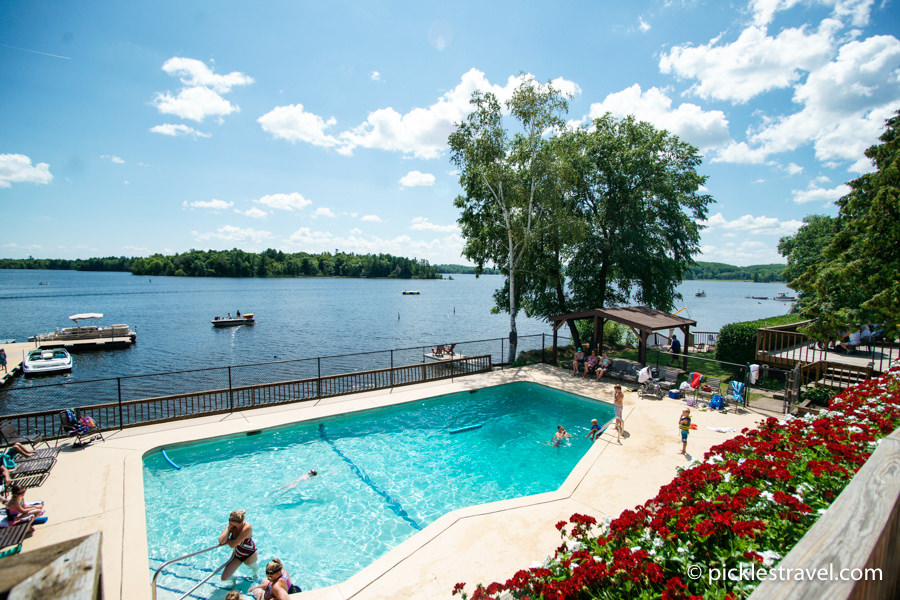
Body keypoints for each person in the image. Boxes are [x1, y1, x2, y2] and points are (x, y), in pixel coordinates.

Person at [218, 509, 259, 581]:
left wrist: (227, 540)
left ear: (236, 523)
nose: (230, 524)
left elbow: (233, 545)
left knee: (253, 569)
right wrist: (228, 528)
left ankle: (256, 575)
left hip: (249, 555)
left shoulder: (247, 527)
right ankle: (236, 580)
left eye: (231, 523)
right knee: (224, 578)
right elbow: (221, 541)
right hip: (238, 555)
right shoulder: (231, 526)